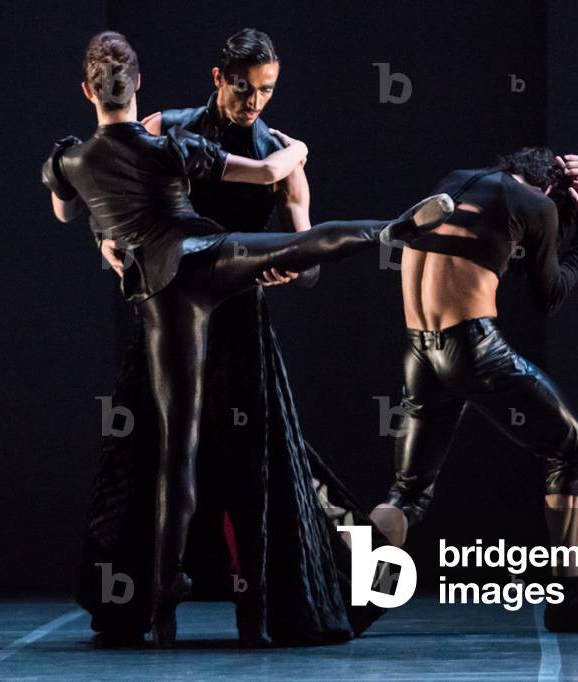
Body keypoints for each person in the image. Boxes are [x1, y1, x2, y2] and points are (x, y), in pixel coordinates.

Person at [42, 31, 453, 647]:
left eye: (266, 90)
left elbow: (305, 257)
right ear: (218, 78)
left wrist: (290, 262)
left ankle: (273, 605)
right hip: (170, 306)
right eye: (243, 87)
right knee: (152, 452)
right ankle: (142, 603)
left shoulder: (276, 154)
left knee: (260, 461)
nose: (254, 101)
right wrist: (108, 242)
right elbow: (114, 188)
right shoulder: (169, 129)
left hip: (238, 319)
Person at [368, 147, 578, 633]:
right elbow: (550, 296)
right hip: (472, 348)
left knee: (407, 494)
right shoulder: (538, 204)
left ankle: (353, 597)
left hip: (418, 352)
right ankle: (568, 601)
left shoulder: (456, 178)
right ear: (550, 188)